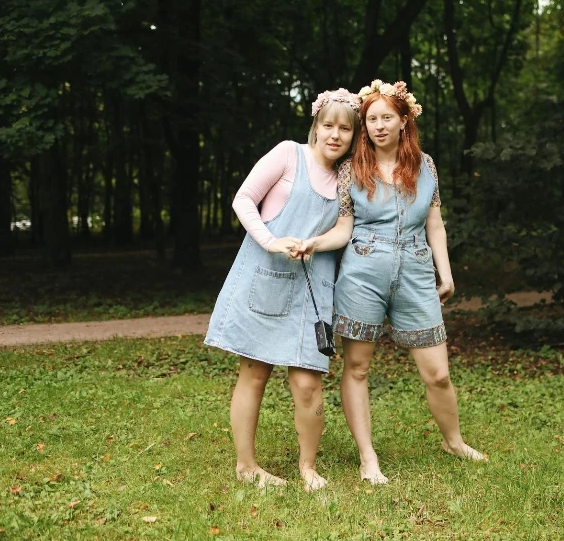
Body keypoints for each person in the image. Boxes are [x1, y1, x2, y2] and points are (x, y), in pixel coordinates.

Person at [296, 79, 485, 484]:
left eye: (387, 117)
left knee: (438, 372)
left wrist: (445, 272)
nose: (379, 125)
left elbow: (435, 223)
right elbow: (345, 227)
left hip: (416, 271)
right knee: (358, 367)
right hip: (363, 272)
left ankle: (453, 440)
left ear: (404, 121)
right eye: (371, 119)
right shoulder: (351, 169)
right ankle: (368, 458)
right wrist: (316, 242)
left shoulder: (425, 165)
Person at [204, 88, 361, 492]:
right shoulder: (288, 154)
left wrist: (315, 242)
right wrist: (272, 240)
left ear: (353, 135)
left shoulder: (348, 176)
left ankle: (307, 468)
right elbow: (243, 200)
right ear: (315, 126)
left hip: (313, 288)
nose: (335, 135)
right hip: (266, 277)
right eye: (328, 125)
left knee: (308, 383)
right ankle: (246, 466)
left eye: (345, 128)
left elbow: (344, 230)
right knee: (254, 374)